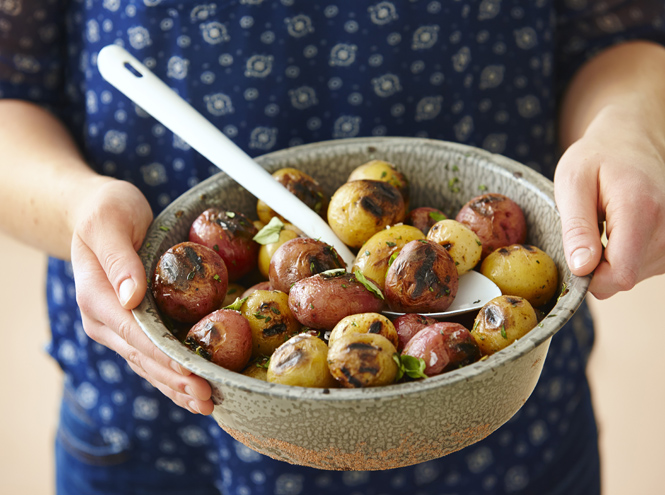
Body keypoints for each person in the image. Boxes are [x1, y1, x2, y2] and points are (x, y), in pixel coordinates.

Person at [1, 1, 664, 494]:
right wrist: (75, 205)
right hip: (164, 423)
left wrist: (632, 127)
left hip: (503, 427)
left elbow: (617, 30)